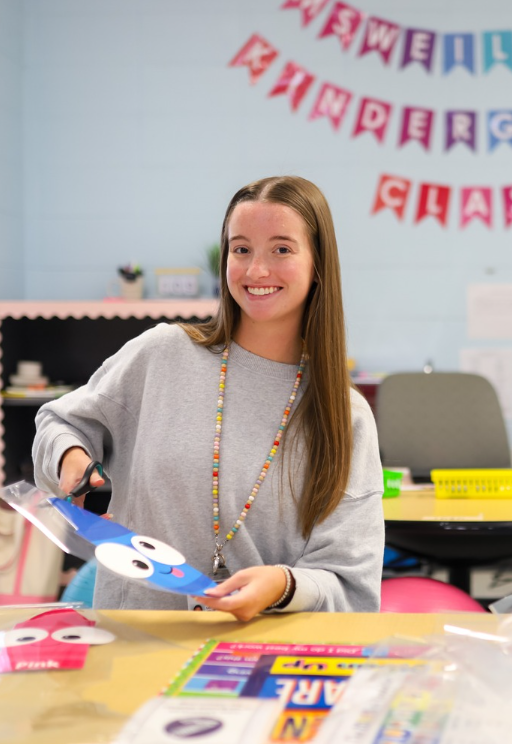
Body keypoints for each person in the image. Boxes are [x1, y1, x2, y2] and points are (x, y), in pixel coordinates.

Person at [32, 175, 384, 620]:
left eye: (281, 249)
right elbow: (59, 424)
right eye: (241, 249)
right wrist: (72, 462)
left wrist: (281, 584)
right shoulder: (162, 354)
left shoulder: (344, 415)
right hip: (131, 647)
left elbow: (351, 586)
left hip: (260, 662)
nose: (257, 270)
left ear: (318, 265)